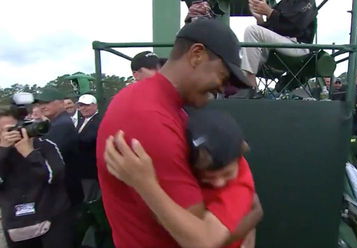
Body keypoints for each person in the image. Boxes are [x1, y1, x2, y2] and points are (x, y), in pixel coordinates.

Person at [96, 19, 249, 248]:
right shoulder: (149, 117)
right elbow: (204, 239)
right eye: (223, 76)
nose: (222, 88)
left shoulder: (163, 104)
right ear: (197, 54)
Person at [104, 108, 263, 248]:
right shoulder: (183, 164)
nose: (219, 182)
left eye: (227, 173)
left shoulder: (239, 185)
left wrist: (144, 184)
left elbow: (205, 243)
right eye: (208, 177)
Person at [0, 109, 73, 248]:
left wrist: (30, 153)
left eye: (13, 128)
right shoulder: (2, 153)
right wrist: (3, 151)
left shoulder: (45, 146)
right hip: (18, 225)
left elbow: (55, 177)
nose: (9, 134)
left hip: (52, 219)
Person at [241, 0, 317, 88]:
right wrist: (260, 19)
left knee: (252, 30)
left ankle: (250, 83)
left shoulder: (307, 1)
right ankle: (243, 82)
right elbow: (270, 33)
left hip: (299, 46)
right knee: (243, 54)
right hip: (281, 47)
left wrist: (269, 12)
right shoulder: (281, 4)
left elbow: (297, 26)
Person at [35, 88, 83, 207]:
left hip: (65, 188)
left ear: (62, 103)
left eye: (47, 102)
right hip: (65, 187)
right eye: (40, 104)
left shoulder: (62, 125)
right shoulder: (56, 123)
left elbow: (49, 156)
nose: (43, 107)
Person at [76, 94, 101, 202]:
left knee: (91, 200)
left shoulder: (99, 121)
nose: (83, 108)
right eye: (81, 105)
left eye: (86, 105)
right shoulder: (81, 121)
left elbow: (88, 140)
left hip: (91, 170)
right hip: (81, 170)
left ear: (95, 105)